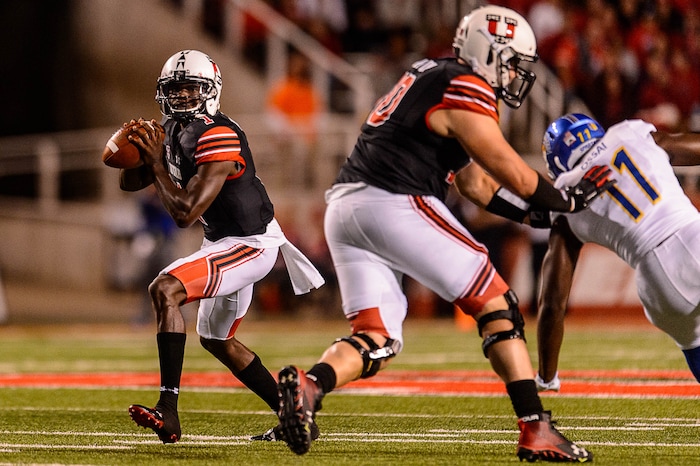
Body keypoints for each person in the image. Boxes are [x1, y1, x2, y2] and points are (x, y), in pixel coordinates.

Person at [273, 5, 614, 462]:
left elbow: (475, 183)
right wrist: (566, 200)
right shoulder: (466, 83)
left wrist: (538, 217)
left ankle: (310, 387)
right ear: (490, 54)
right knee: (498, 304)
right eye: (512, 63)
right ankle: (536, 428)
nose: (515, 76)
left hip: (347, 209)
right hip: (393, 200)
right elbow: (506, 165)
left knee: (376, 337)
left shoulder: (432, 76)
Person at [119, 50, 325, 444]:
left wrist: (157, 165)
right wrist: (138, 152)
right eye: (174, 90)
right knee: (216, 340)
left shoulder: (218, 134)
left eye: (189, 89)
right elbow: (129, 184)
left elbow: (184, 211)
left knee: (165, 289)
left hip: (251, 242)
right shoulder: (173, 129)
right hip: (223, 241)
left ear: (210, 91)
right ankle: (293, 413)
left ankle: (168, 408)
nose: (180, 97)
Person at [536, 113, 700, 392]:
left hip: (656, 287)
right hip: (690, 235)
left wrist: (546, 376)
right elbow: (682, 145)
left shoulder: (566, 199)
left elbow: (553, 303)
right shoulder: (629, 133)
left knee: (694, 344)